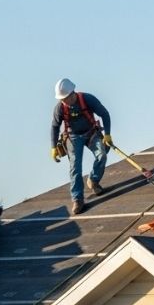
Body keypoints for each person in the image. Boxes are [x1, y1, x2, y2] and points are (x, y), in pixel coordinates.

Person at [50, 78, 112, 215]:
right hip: (72, 137)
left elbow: (105, 114)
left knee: (102, 155)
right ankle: (77, 199)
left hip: (91, 133)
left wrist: (107, 135)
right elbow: (55, 127)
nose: (64, 101)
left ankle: (94, 181)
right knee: (75, 167)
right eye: (62, 99)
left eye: (66, 98)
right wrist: (53, 147)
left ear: (73, 93)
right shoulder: (60, 108)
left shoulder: (88, 99)